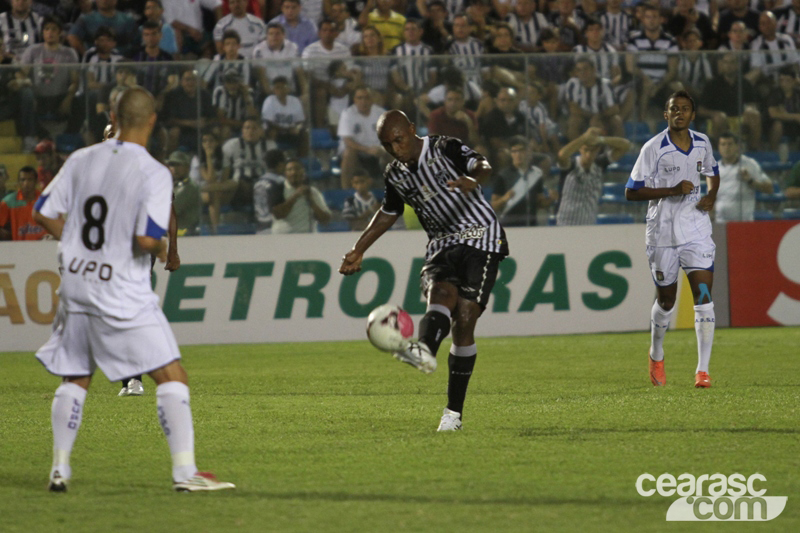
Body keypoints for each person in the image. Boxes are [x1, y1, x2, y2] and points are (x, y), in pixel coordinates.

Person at [31, 87, 233, 492]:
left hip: (76, 282)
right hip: (121, 290)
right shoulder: (155, 172)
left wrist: (74, 242)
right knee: (173, 375)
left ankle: (60, 468)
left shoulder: (82, 158)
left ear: (113, 116)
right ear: (153, 120)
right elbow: (145, 239)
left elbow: (42, 210)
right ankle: (185, 474)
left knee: (75, 377)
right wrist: (161, 249)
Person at [339, 110, 509, 432]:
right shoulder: (395, 174)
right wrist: (359, 249)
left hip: (480, 237)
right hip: (442, 243)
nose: (396, 148)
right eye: (388, 144)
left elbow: (482, 164)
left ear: (412, 130)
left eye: (399, 140)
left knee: (465, 320)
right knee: (441, 292)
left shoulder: (445, 147)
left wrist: (474, 179)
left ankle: (453, 414)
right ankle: (424, 351)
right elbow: (389, 213)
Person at [625, 90, 720, 389]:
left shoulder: (703, 142)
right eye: (673, 109)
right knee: (666, 301)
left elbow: (713, 172)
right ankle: (656, 354)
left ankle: (702, 371)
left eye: (685, 108)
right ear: (665, 115)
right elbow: (631, 191)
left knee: (703, 297)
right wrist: (673, 189)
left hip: (696, 229)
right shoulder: (653, 148)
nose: (679, 113)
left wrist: (712, 195)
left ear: (693, 114)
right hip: (662, 233)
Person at [556, 127, 630, 226]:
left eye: (592, 151)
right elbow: (562, 155)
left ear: (598, 150)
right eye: (586, 150)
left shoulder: (599, 164)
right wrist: (584, 138)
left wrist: (600, 140)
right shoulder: (570, 166)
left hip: (589, 225)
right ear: (580, 149)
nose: (588, 155)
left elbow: (625, 145)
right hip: (565, 225)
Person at [491, 136, 557, 227]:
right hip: (509, 226)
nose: (518, 154)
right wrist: (504, 199)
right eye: (514, 151)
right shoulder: (503, 176)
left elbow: (539, 203)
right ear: (511, 154)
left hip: (531, 226)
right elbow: (493, 206)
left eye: (521, 150)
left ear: (528, 152)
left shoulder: (536, 174)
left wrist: (550, 199)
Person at [714, 132, 772, 222]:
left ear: (737, 146)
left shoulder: (749, 164)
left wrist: (750, 181)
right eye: (723, 144)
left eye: (730, 144)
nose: (726, 147)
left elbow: (769, 189)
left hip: (744, 224)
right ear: (719, 147)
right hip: (721, 224)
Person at [337, 85, 386, 188]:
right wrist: (367, 149)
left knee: (395, 152)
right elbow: (347, 140)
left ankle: (396, 191)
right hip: (357, 152)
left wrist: (382, 148)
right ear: (354, 99)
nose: (363, 101)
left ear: (372, 99)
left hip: (376, 152)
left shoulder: (381, 113)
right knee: (349, 152)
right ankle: (346, 192)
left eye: (367, 97)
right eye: (359, 98)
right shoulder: (347, 114)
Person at [563, 57, 623, 141]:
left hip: (602, 116)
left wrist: (598, 117)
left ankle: (615, 151)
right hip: (582, 117)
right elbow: (573, 109)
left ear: (593, 69)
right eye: (579, 70)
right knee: (573, 122)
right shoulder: (573, 83)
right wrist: (592, 117)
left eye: (585, 69)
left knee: (616, 120)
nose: (582, 73)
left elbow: (614, 108)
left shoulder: (605, 84)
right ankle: (578, 151)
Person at [267, 158, 331, 233]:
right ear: (285, 173)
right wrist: (295, 196)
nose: (293, 172)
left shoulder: (313, 191)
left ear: (303, 172)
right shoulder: (278, 189)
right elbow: (278, 214)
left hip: (308, 237)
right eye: (289, 170)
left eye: (297, 169)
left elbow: (325, 220)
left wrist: (311, 201)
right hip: (283, 237)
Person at [67, 0, 139, 57]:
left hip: (122, 63)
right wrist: (87, 54)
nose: (104, 0)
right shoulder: (85, 19)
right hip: (95, 63)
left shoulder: (128, 20)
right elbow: (72, 37)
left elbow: (137, 42)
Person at [260, 75, 307, 155]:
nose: (281, 90)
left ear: (288, 88)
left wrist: (297, 128)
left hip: (291, 131)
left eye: (283, 87)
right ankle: (272, 156)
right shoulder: (270, 100)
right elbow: (269, 123)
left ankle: (302, 160)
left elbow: (301, 121)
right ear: (274, 89)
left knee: (305, 134)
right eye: (278, 87)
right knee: (272, 132)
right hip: (276, 131)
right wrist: (286, 130)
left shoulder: (295, 100)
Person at [0, 166, 46, 241]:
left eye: (30, 179)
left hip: (43, 247)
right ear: (18, 182)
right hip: (18, 249)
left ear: (36, 181)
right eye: (23, 180)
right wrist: (8, 237)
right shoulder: (8, 202)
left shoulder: (46, 201)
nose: (26, 183)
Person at [167, 151, 201, 235]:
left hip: (185, 233)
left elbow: (171, 211)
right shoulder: (172, 185)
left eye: (178, 165)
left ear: (187, 167)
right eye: (172, 165)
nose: (174, 168)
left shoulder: (189, 187)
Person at [253, 149, 286, 234]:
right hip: (276, 229)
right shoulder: (281, 182)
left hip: (261, 229)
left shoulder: (257, 182)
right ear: (281, 164)